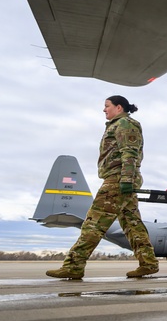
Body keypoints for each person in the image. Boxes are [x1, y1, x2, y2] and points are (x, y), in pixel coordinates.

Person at [46, 96, 159, 279]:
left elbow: (129, 152)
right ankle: (148, 263)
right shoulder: (118, 124)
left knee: (94, 222)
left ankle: (74, 266)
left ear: (119, 107)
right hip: (121, 178)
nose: (104, 109)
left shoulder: (124, 123)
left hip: (118, 179)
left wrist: (126, 179)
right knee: (132, 224)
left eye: (107, 106)